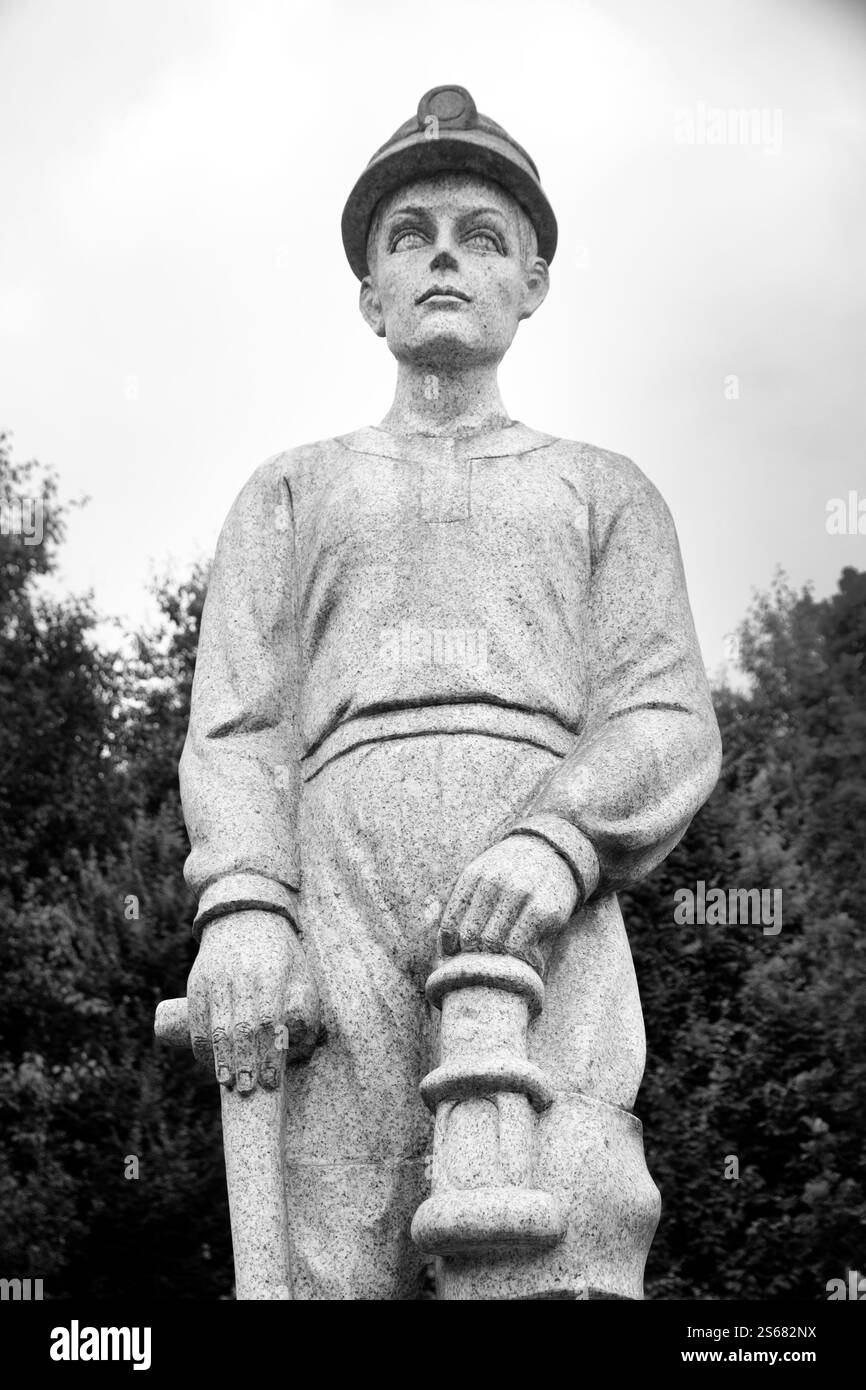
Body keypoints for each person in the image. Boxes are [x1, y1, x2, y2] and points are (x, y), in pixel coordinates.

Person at [180, 85, 722, 1299]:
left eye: (482, 235)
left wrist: (556, 839)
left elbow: (664, 715)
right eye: (408, 233)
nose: (442, 256)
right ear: (369, 292)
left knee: (561, 1221)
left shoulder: (603, 490)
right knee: (338, 1245)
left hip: (544, 908)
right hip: (341, 889)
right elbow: (237, 727)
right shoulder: (290, 491)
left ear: (530, 283)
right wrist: (246, 906)